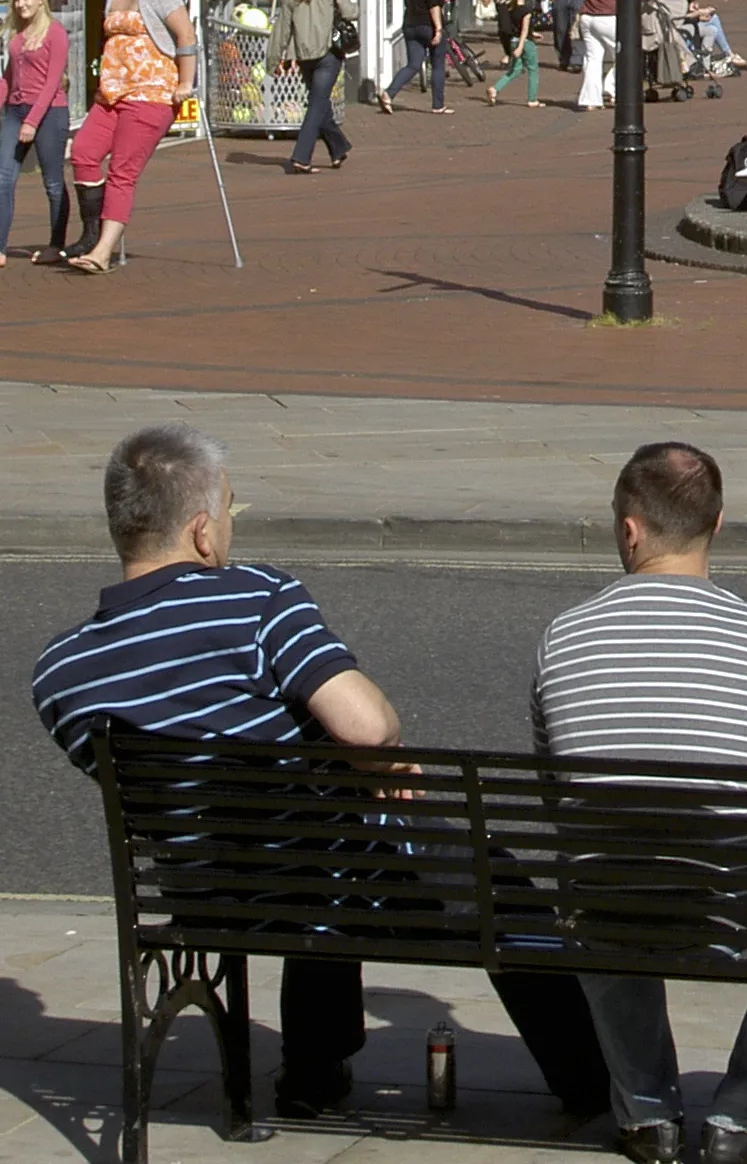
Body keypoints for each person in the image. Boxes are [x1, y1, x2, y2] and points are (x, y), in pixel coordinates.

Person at [34, 423, 606, 1123]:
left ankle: (313, 1072)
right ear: (203, 531)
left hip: (205, 892)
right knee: (490, 883)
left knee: (314, 824)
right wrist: (375, 763)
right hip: (325, 874)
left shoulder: (60, 670)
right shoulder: (258, 599)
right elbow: (369, 725)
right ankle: (591, 1083)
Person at [533, 441, 747, 1164]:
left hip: (607, 900)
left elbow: (560, 797)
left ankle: (647, 1114)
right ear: (718, 524)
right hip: (731, 905)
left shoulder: (562, 638)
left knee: (596, 862)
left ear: (629, 530)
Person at [65, 0, 198, 266]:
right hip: (112, 93)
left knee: (122, 171)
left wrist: (185, 82)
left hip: (150, 92)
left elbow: (185, 35)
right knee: (83, 152)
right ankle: (91, 233)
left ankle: (102, 253)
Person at [0, 0, 71, 265]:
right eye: (16, 0)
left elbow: (53, 82)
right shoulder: (16, 37)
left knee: (53, 183)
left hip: (49, 112)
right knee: (3, 178)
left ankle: (56, 245)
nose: (20, 5)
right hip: (16, 110)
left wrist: (33, 121)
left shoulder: (55, 33)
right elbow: (8, 78)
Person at [267, 0, 356, 177]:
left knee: (318, 102)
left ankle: (338, 148)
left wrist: (274, 60)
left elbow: (281, 31)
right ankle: (301, 157)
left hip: (304, 56)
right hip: (329, 54)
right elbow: (352, 13)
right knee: (317, 104)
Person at [378, 0, 451, 115]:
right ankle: (437, 105)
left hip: (410, 25)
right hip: (427, 25)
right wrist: (439, 30)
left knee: (413, 65)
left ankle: (389, 93)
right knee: (438, 65)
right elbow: (434, 6)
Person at [578, 0, 620, 110]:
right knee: (625, 55)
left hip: (587, 17)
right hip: (607, 16)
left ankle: (591, 100)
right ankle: (612, 89)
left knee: (593, 60)